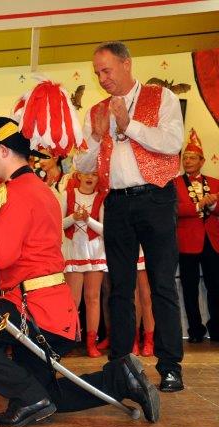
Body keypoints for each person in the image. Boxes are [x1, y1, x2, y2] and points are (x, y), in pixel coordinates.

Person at [0, 117, 160, 427]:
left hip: (32, 309)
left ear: (3, 151)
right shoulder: (38, 189)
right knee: (47, 395)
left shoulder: (17, 193)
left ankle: (27, 396)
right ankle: (120, 379)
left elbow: (0, 255)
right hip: (49, 309)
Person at [75, 41, 184, 392]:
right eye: (97, 73)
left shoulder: (161, 97)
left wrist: (128, 124)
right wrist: (96, 137)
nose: (102, 78)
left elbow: (172, 142)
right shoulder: (96, 110)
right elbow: (82, 164)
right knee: (119, 287)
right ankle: (120, 367)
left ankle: (170, 366)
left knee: (162, 283)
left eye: (106, 70)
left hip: (156, 197)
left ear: (126, 64)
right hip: (117, 203)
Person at [174, 129, 219, 342]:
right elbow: (174, 209)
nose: (188, 161)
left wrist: (213, 204)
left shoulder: (215, 182)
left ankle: (217, 329)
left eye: (192, 158)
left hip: (212, 241)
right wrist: (199, 205)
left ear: (202, 161)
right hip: (187, 242)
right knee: (190, 288)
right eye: (185, 158)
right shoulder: (174, 183)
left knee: (216, 286)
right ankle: (195, 331)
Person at [60, 171, 106, 357]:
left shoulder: (102, 198)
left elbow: (105, 229)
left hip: (95, 250)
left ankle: (91, 343)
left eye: (94, 174)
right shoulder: (67, 194)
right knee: (72, 300)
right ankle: (68, 341)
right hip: (73, 249)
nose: (90, 177)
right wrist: (73, 217)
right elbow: (57, 224)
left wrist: (88, 219)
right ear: (78, 176)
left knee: (93, 297)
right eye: (86, 173)